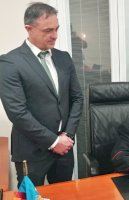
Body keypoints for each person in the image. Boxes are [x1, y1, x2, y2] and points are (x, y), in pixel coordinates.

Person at [0, 3, 83, 186]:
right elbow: (17, 112)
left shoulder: (64, 58)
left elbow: (77, 98)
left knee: (63, 196)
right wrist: (54, 141)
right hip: (31, 152)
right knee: (30, 197)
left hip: (64, 150)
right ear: (28, 29)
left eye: (56, 29)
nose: (54, 35)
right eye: (47, 30)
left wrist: (67, 136)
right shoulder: (10, 63)